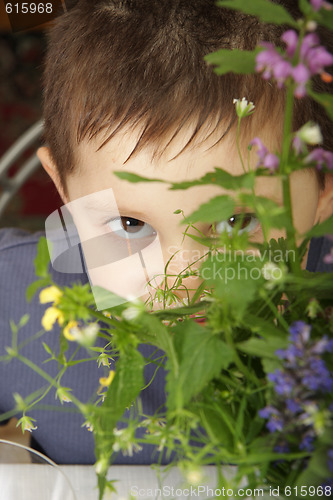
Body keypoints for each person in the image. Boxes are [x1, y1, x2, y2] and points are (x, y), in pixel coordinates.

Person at [1, 0, 333, 465]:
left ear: (324, 190)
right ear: (64, 191)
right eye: (130, 224)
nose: (186, 278)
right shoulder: (12, 297)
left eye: (237, 222)